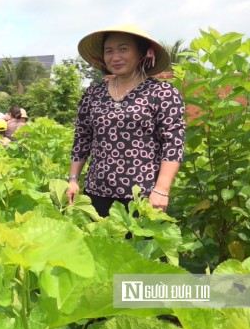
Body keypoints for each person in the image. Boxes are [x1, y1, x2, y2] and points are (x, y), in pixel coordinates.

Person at [66, 23, 185, 217]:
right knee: (96, 246)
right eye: (109, 51)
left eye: (123, 49)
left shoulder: (162, 93)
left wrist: (162, 190)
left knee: (139, 247)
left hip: (143, 196)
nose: (115, 57)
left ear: (142, 53)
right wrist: (73, 179)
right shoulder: (93, 94)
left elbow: (173, 143)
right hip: (96, 192)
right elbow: (82, 139)